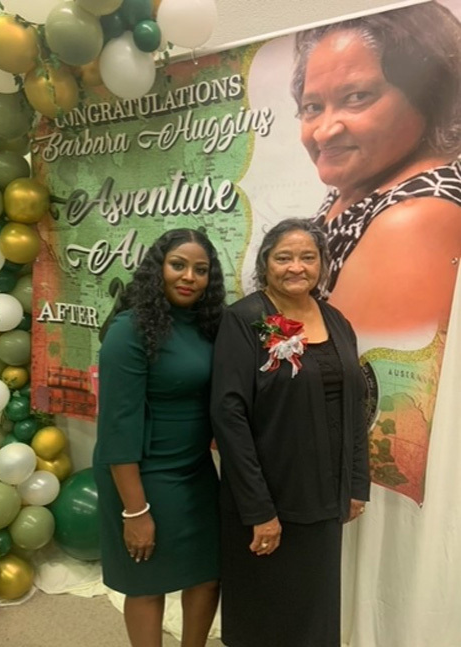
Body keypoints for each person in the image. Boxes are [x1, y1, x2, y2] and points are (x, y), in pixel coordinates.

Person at [210, 218, 370, 647]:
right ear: (266, 265)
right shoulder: (244, 319)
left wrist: (356, 482)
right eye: (284, 257)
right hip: (268, 496)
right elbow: (229, 416)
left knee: (314, 611)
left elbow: (355, 405)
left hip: (324, 495)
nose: (296, 267)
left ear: (322, 264)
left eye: (307, 257)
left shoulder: (336, 321)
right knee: (266, 609)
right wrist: (259, 510)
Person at [291, 2, 461, 334]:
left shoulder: (413, 220)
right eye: (312, 106)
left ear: (428, 94)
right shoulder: (365, 181)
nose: (324, 131)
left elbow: (358, 376)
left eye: (356, 97)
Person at [93, 228, 226, 647]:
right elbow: (117, 426)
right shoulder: (129, 331)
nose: (189, 277)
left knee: (206, 576)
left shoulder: (210, 327)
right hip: (141, 472)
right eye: (178, 265)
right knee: (147, 582)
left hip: (195, 472)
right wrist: (135, 511)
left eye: (200, 270)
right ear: (158, 269)